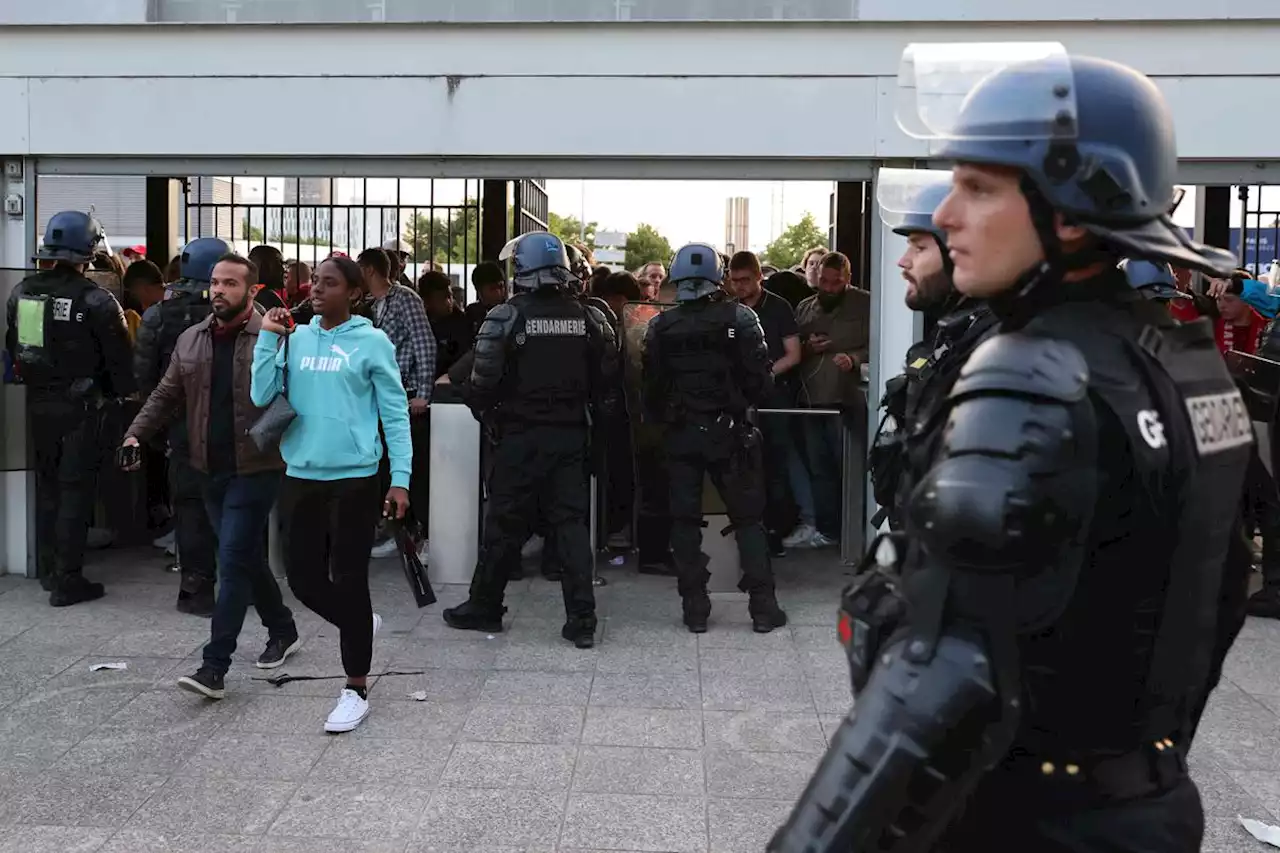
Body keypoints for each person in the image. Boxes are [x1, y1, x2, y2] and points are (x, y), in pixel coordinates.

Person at [770, 42, 1249, 853]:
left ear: (1069, 211)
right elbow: (1222, 587)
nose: (947, 215)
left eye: (978, 188)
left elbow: (940, 674)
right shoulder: (1184, 359)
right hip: (1148, 802)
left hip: (1025, 818)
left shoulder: (1035, 368)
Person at [121, 253, 301, 699]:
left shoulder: (275, 335)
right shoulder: (191, 339)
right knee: (241, 556)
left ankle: (214, 665)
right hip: (207, 467)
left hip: (256, 468)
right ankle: (283, 627)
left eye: (230, 284)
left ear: (252, 291)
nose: (218, 290)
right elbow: (165, 393)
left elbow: (297, 395)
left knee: (232, 561)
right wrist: (134, 435)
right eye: (215, 283)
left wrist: (275, 441)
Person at [252, 254, 412, 734]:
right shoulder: (294, 338)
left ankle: (355, 687)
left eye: (327, 283)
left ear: (354, 293)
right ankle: (359, 621)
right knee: (301, 580)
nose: (315, 290)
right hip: (300, 474)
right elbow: (262, 396)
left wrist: (400, 478)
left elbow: (395, 413)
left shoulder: (372, 342)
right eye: (313, 282)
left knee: (348, 578)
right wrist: (265, 336)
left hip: (356, 479)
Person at [442, 231, 620, 649]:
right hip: (572, 437)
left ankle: (485, 605)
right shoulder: (591, 318)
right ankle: (582, 620)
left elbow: (482, 386)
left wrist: (481, 408)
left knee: (502, 525)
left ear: (520, 269)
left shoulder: (505, 317)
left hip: (520, 439)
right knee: (571, 527)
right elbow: (608, 387)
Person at [642, 244, 787, 634]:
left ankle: (695, 609)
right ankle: (763, 608)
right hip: (731, 433)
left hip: (681, 435)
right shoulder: (742, 318)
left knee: (685, 522)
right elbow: (762, 383)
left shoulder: (661, 326)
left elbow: (651, 389)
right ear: (716, 276)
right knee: (748, 521)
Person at [3, 210, 136, 606]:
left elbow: (16, 348)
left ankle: (48, 569)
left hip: (38, 401)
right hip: (83, 408)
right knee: (75, 489)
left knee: (48, 487)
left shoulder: (23, 292)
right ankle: (68, 579)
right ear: (90, 251)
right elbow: (120, 364)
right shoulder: (97, 299)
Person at [868, 168, 998, 531]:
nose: (903, 261)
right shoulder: (956, 335)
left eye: (920, 246)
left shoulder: (996, 348)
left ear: (961, 253)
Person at [135, 237, 227, 616]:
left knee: (190, 509)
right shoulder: (242, 311)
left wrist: (155, 429)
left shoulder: (158, 315)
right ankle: (247, 586)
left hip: (181, 428)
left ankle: (195, 590)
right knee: (236, 508)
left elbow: (144, 379)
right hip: (230, 428)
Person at [357, 247, 435, 562]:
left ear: (371, 270)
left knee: (410, 471)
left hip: (405, 395)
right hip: (376, 397)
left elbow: (424, 343)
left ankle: (418, 532)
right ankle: (395, 529)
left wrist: (424, 393)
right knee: (385, 467)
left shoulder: (405, 299)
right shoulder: (369, 305)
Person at [789, 252, 870, 549]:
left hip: (847, 400)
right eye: (824, 281)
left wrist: (855, 358)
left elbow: (884, 342)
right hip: (811, 400)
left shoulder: (867, 304)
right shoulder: (805, 307)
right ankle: (828, 530)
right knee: (819, 470)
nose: (829, 287)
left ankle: (858, 532)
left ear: (847, 279)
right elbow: (791, 349)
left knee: (850, 469)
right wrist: (808, 347)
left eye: (836, 283)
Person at [726, 250, 802, 557]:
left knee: (774, 467)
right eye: (734, 281)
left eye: (745, 280)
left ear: (759, 276)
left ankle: (774, 532)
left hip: (773, 397)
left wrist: (764, 374)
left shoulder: (779, 307)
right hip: (737, 398)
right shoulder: (728, 309)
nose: (740, 287)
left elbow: (794, 354)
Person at [420, 269, 475, 378]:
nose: (449, 302)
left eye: (450, 296)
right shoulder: (419, 323)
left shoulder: (462, 323)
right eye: (442, 298)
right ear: (427, 301)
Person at [465, 261, 509, 334]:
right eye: (492, 288)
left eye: (501, 286)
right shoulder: (471, 313)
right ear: (478, 289)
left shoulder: (511, 311)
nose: (498, 292)